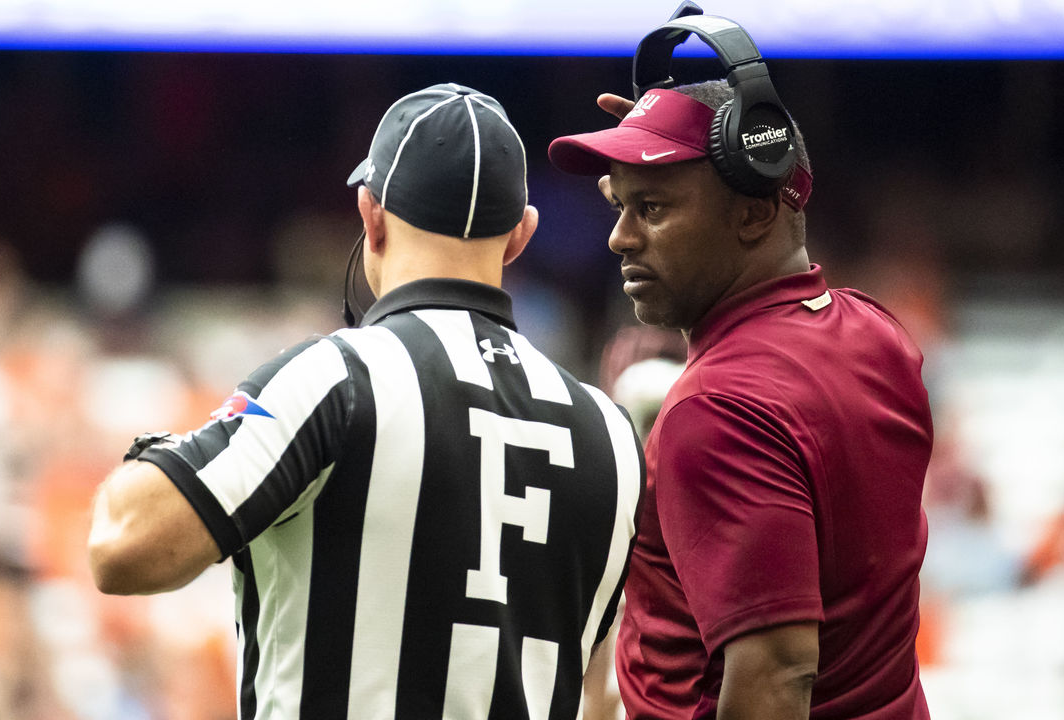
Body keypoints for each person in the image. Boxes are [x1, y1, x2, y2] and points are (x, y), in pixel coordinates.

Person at [88, 82, 643, 720]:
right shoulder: (613, 434)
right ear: (521, 235)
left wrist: (183, 447)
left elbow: (121, 546)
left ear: (370, 216)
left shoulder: (334, 379)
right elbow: (602, 695)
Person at [547, 11, 934, 720]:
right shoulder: (878, 334)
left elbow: (776, 677)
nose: (619, 238)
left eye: (652, 208)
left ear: (755, 214)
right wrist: (667, 137)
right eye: (619, 204)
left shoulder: (716, 409)